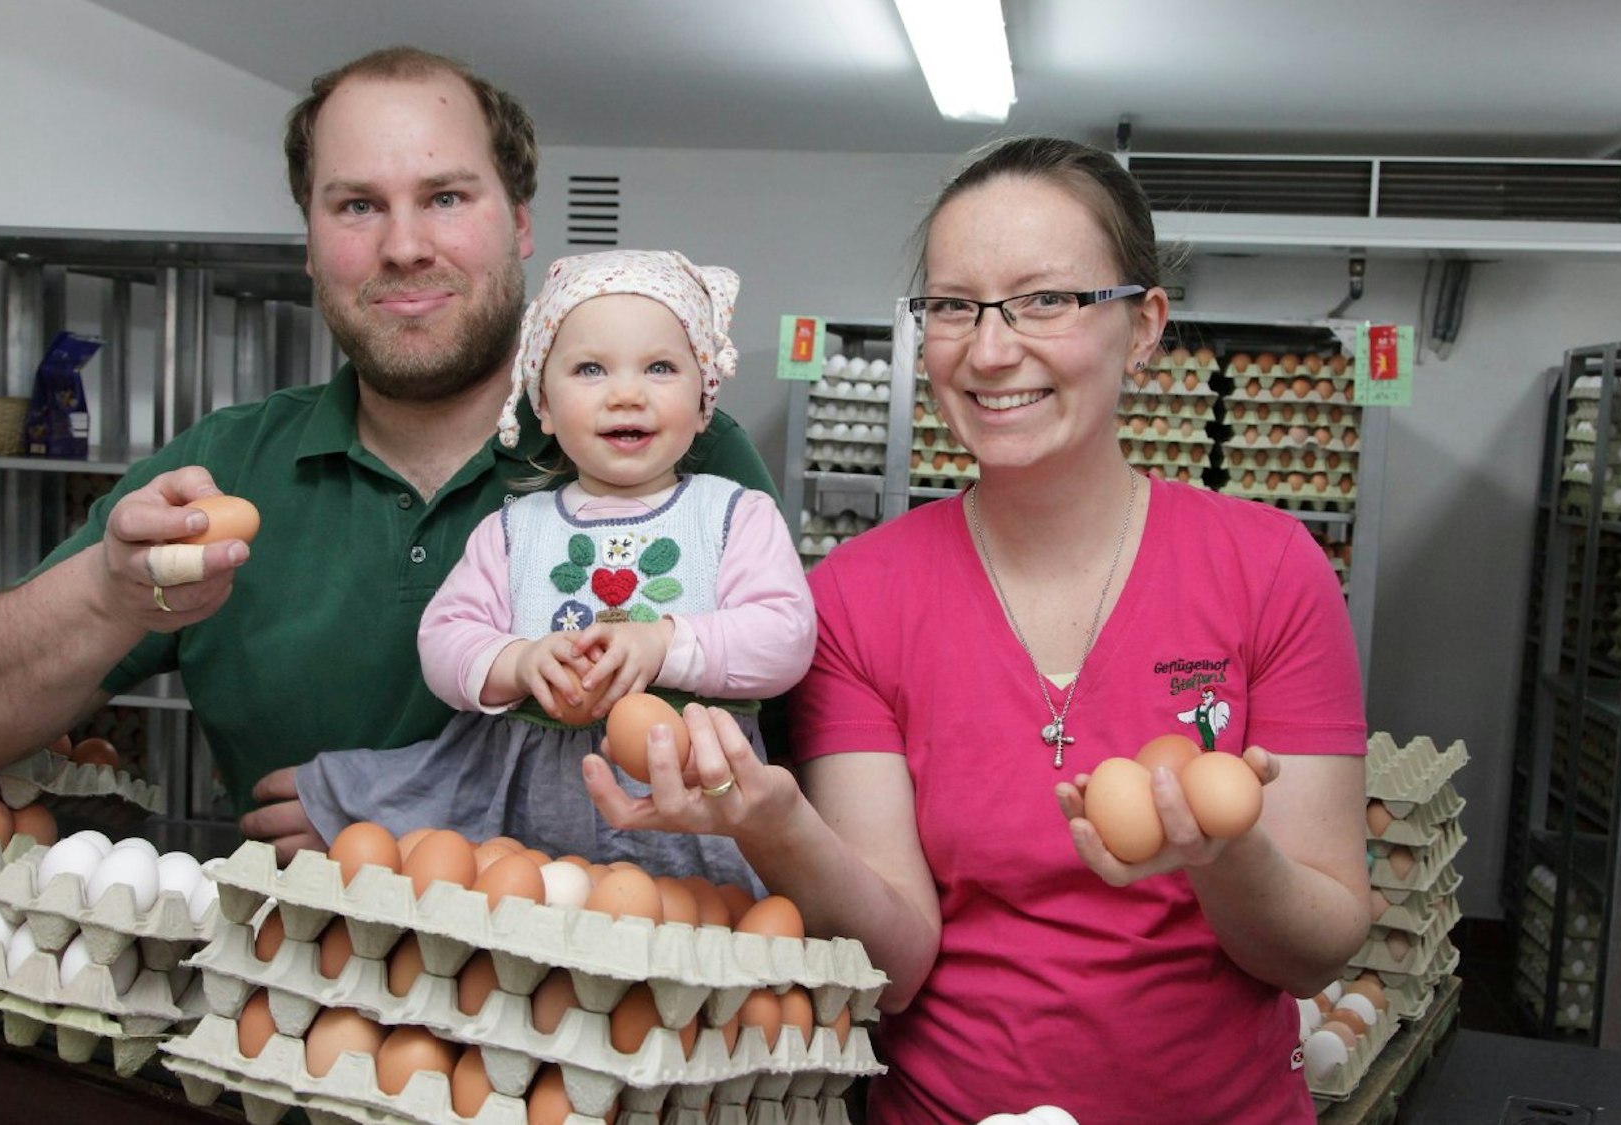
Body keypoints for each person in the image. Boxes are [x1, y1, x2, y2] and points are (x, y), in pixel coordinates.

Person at [584, 136, 1371, 1124]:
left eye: (1044, 300)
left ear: (1142, 326)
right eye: (953, 306)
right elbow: (899, 967)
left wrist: (1225, 856)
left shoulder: (1269, 570)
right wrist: (775, 825)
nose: (990, 349)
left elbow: (1315, 946)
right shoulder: (859, 596)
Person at [0, 48, 779, 862]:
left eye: (445, 197)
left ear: (518, 224)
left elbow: (790, 793)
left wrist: (414, 826)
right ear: (311, 247)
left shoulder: (680, 466)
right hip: (286, 1002)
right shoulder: (230, 464)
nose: (403, 246)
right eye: (358, 205)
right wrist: (109, 591)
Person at [293, 249, 813, 885]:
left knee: (686, 930)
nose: (627, 393)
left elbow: (786, 637)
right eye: (591, 369)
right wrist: (517, 662)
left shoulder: (735, 515)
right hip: (521, 799)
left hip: (684, 804)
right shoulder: (515, 530)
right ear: (542, 403)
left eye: (660, 367)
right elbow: (444, 636)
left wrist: (663, 645)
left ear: (704, 403)